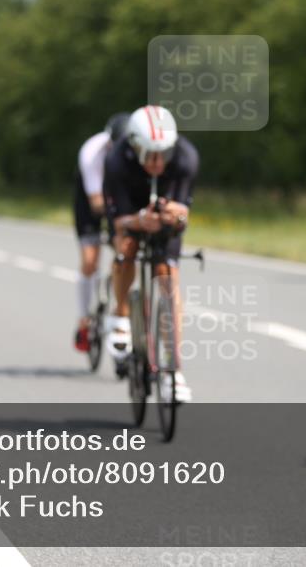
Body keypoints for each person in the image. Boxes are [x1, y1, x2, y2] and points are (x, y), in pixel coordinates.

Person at [103, 105, 198, 402]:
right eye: (149, 155)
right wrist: (138, 221)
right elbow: (118, 221)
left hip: (163, 212)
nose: (157, 163)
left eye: (163, 155)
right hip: (130, 208)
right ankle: (120, 315)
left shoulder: (185, 157)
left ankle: (172, 370)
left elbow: (184, 213)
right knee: (126, 248)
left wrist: (175, 216)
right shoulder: (117, 160)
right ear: (133, 147)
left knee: (167, 280)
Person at [73, 113, 131, 353]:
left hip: (119, 196)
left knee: (125, 253)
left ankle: (122, 308)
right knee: (90, 260)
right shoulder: (91, 153)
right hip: (91, 201)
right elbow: (97, 202)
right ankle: (84, 318)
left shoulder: (134, 152)